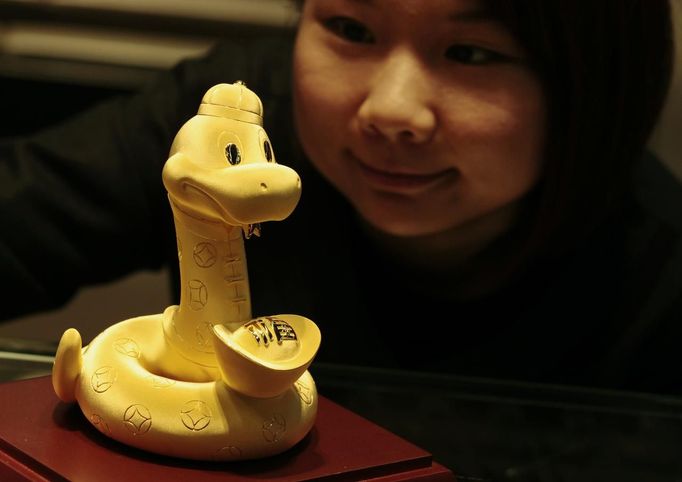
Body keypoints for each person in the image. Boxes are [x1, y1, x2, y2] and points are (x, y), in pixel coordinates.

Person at [0, 0, 680, 394]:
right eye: (351, 30)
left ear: (600, 89)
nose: (391, 109)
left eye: (472, 54)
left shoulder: (659, 269)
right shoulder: (230, 120)